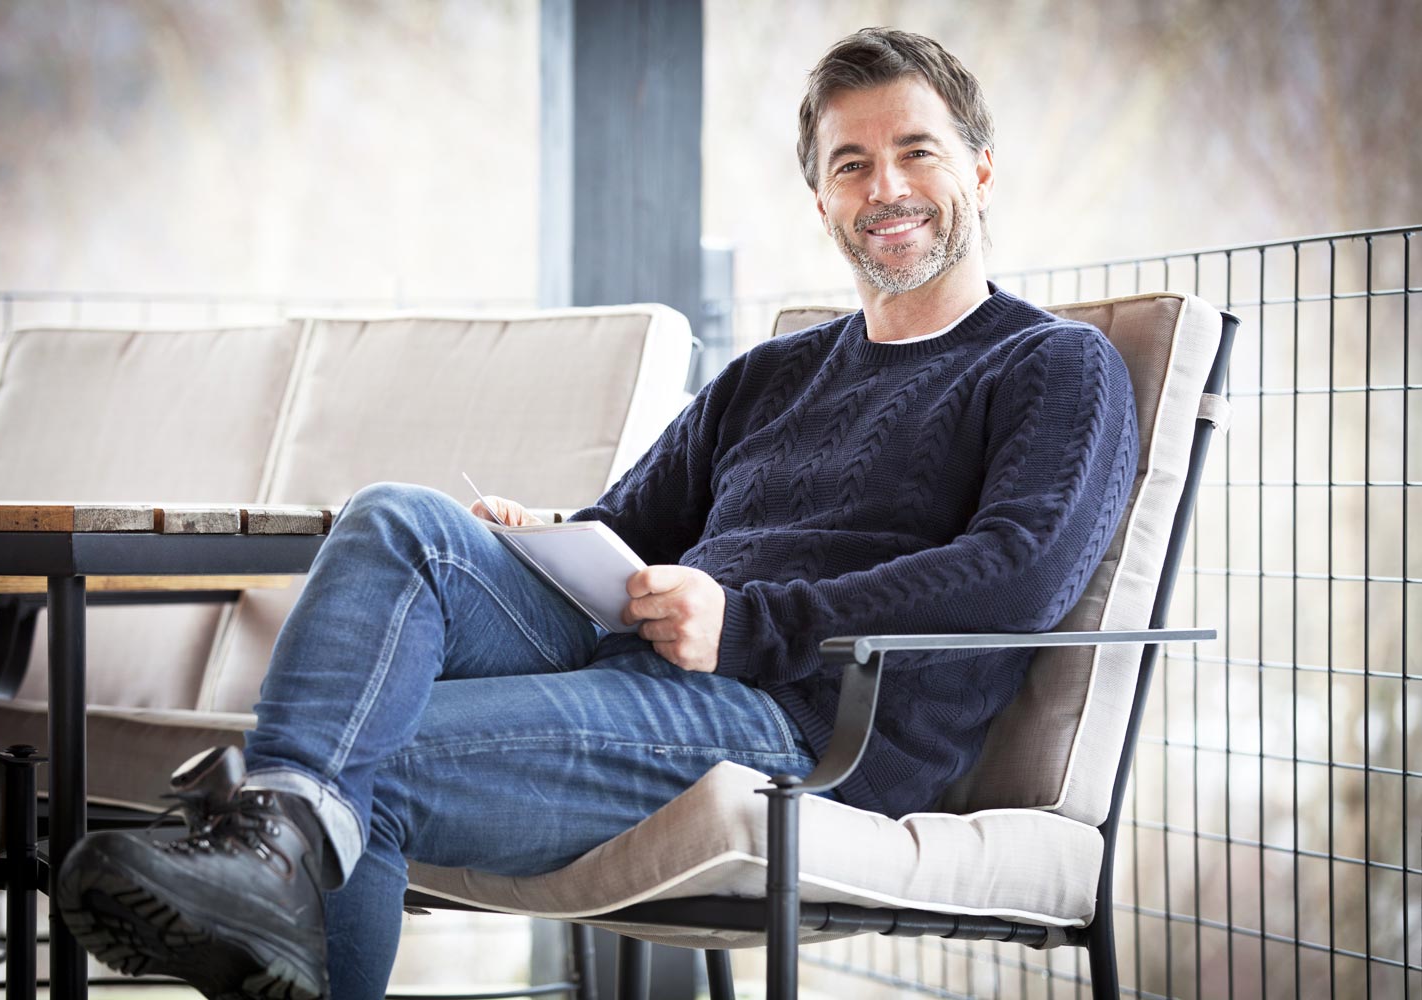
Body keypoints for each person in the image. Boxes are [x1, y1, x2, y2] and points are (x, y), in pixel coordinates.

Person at [59, 26, 1138, 1000]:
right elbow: (632, 526)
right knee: (399, 519)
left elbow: (1018, 571)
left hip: (810, 722)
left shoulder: (1052, 365)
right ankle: (277, 838)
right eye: (851, 164)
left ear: (981, 171)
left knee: (366, 758)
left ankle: (272, 847)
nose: (885, 185)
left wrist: (747, 623)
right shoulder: (773, 376)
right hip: (651, 659)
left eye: (916, 151)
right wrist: (545, 542)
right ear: (822, 202)